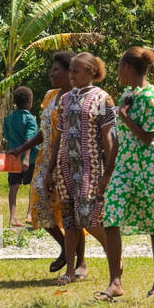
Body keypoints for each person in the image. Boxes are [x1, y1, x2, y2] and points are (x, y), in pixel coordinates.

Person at [97, 46, 154, 301]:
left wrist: (126, 117)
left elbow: (147, 137)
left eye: (119, 66)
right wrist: (108, 172)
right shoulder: (128, 95)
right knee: (111, 217)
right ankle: (115, 282)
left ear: (128, 67)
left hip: (151, 168)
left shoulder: (152, 97)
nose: (117, 71)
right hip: (126, 168)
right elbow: (119, 137)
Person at [10, 50, 76, 274]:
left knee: (70, 212)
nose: (51, 74)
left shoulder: (76, 98)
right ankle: (66, 249)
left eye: (55, 70)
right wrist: (22, 148)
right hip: (45, 160)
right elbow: (44, 131)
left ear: (69, 72)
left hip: (66, 160)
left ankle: (80, 260)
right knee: (39, 209)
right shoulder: (50, 96)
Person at [53, 53, 113, 285]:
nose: (71, 75)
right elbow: (59, 135)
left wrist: (109, 170)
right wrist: (51, 168)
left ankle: (113, 256)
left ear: (90, 71)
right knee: (69, 221)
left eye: (76, 71)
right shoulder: (65, 99)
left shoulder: (102, 98)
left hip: (90, 167)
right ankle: (70, 271)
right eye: (71, 71)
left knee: (89, 217)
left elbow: (108, 137)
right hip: (65, 167)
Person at [2, 86, 38, 228]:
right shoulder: (30, 119)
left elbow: (7, 136)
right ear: (29, 101)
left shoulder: (8, 119)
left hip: (11, 154)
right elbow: (29, 140)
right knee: (33, 185)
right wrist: (26, 158)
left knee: (13, 187)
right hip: (29, 157)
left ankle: (13, 217)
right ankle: (29, 214)